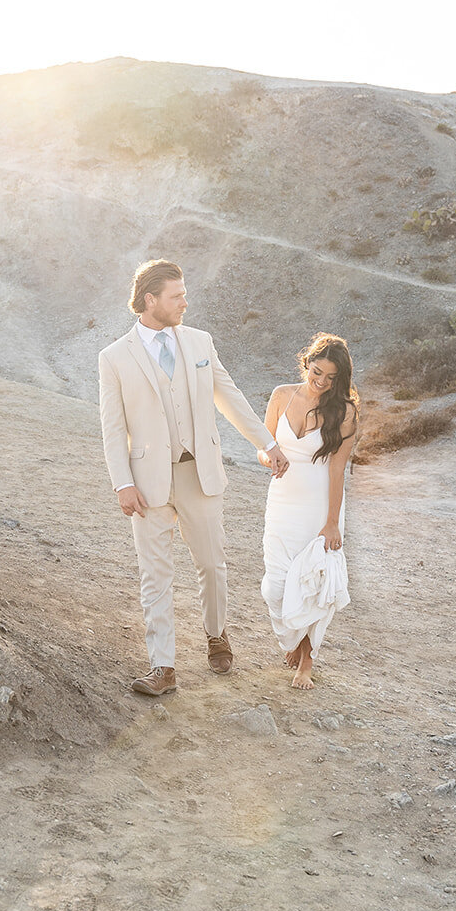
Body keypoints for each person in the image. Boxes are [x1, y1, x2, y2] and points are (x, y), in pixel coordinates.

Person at [99, 259, 288, 696]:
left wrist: (267, 442)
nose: (186, 302)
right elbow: (112, 427)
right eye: (176, 296)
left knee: (211, 564)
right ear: (150, 300)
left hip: (199, 474)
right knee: (155, 574)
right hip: (147, 483)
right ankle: (163, 666)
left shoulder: (200, 342)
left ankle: (216, 635)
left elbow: (231, 397)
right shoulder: (114, 357)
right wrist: (121, 482)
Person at [259, 333, 359, 689]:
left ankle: (307, 658)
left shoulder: (344, 412)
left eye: (331, 378)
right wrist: (270, 457)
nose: (322, 382)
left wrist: (332, 523)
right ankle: (294, 641)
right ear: (306, 364)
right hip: (283, 500)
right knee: (277, 585)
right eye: (317, 372)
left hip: (320, 505)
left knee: (314, 582)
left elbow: (337, 470)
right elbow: (264, 445)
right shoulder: (281, 395)